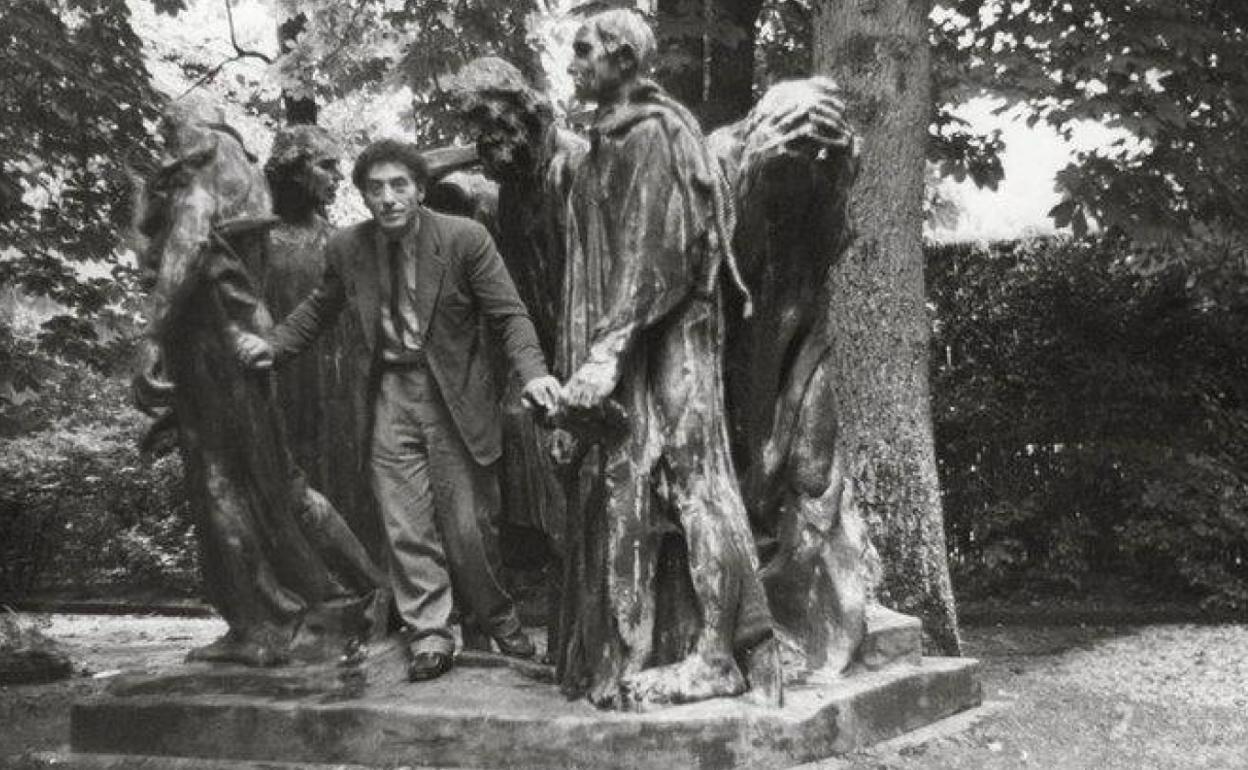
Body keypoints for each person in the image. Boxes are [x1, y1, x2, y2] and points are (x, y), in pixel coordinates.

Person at [236, 139, 561, 682]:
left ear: (420, 189)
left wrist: (535, 375)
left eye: (399, 185)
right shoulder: (347, 247)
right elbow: (320, 307)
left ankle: (499, 620)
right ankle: (430, 634)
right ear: (363, 194)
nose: (387, 198)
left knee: (468, 529)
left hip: (453, 398)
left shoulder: (464, 239)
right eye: (376, 188)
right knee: (406, 525)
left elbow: (510, 316)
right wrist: (273, 345)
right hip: (388, 396)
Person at [552, 10, 778, 709]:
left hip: (669, 340)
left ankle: (724, 653)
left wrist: (605, 357)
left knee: (695, 482)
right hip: (643, 344)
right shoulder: (607, 139)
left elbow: (658, 255)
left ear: (623, 58)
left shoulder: (649, 133)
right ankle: (644, 645)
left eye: (586, 51)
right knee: (657, 485)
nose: (574, 64)